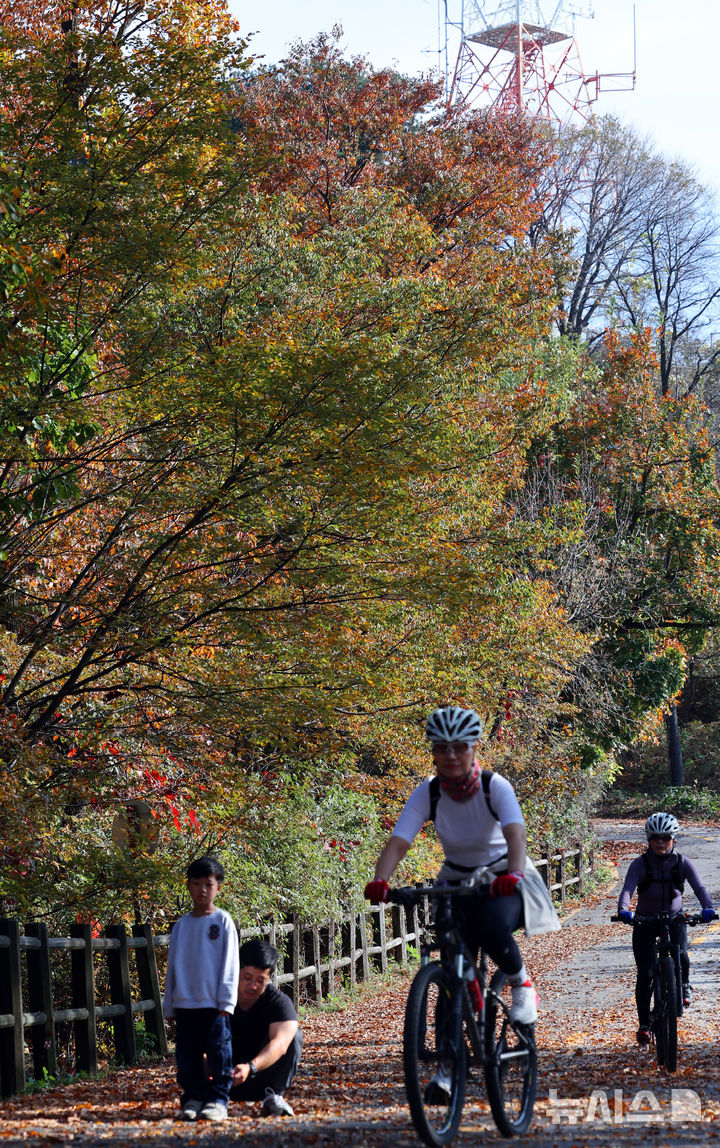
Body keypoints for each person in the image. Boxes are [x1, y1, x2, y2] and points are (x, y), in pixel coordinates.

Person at [365, 705, 559, 1033]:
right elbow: (399, 841)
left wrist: (512, 874)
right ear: (433, 753)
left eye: (460, 747)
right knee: (452, 962)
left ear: (474, 749)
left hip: (502, 875)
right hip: (455, 878)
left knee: (492, 927)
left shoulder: (494, 786)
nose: (451, 755)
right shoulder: (429, 791)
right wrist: (380, 880)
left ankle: (522, 985)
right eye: (442, 748)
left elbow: (516, 833)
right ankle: (446, 1067)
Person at [617, 811, 716, 1046]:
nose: (660, 842)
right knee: (645, 973)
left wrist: (708, 908)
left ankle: (684, 986)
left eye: (665, 837)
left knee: (682, 954)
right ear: (649, 840)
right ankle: (643, 1024)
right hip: (645, 922)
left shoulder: (682, 863)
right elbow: (628, 890)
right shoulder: (640, 864)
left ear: (673, 839)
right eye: (655, 838)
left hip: (674, 918)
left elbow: (700, 887)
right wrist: (623, 909)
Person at [163, 855, 239, 1122]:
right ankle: (193, 1098)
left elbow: (230, 964)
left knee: (219, 1052)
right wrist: (169, 1004)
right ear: (189, 886)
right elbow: (173, 964)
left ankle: (218, 1100)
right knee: (187, 1055)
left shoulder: (223, 922)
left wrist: (226, 1003)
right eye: (196, 884)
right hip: (185, 1002)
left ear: (219, 887)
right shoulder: (182, 925)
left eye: (208, 884)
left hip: (213, 1004)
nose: (202, 890)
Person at [229, 938, 302, 1117]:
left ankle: (274, 1096)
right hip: (221, 1077)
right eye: (247, 978)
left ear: (269, 978)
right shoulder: (218, 997)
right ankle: (202, 1098)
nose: (253, 986)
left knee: (293, 1034)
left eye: (260, 980)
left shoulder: (278, 1002)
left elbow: (281, 1044)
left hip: (260, 1079)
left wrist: (250, 1067)